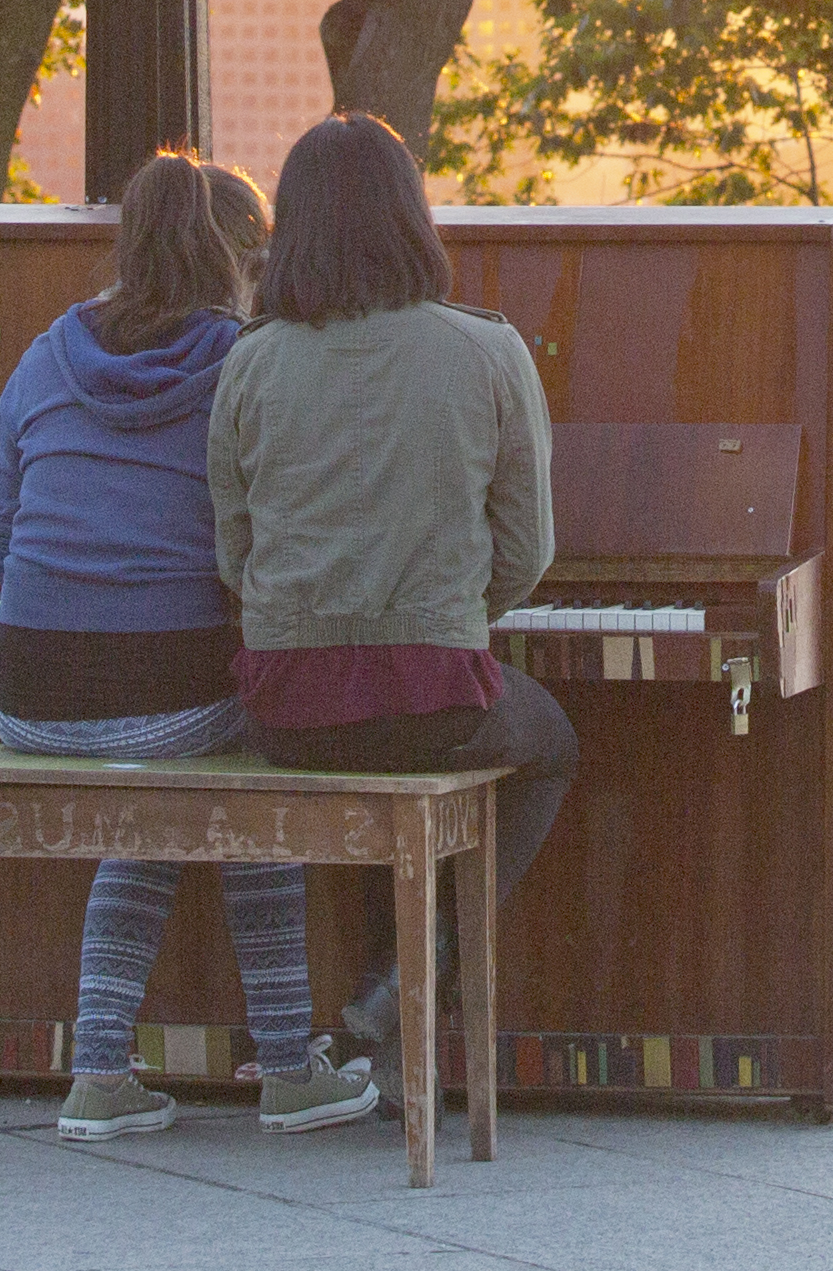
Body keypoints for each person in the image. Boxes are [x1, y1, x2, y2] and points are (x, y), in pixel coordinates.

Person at [0, 151, 381, 1143]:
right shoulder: (245, 362)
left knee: (167, 780)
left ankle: (102, 1072)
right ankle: (288, 1065)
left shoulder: (44, 355)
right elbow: (272, 548)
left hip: (22, 693)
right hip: (165, 698)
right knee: (251, 763)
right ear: (245, 256)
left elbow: (0, 543)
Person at [208, 110, 575, 1088]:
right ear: (412, 218)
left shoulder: (248, 360)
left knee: (365, 752)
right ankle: (415, 978)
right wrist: (442, 613)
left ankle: (369, 1003)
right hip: (434, 698)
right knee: (553, 745)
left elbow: (233, 556)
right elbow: (527, 553)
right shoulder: (488, 352)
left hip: (286, 709)